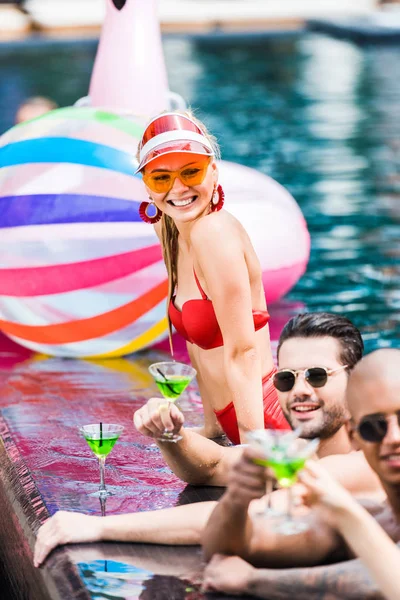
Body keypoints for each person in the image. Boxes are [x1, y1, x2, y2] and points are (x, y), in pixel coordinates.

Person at [33, 312, 383, 568]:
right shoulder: (297, 451)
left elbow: (243, 518)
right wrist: (171, 434)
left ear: (356, 380)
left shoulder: (370, 460)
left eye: (317, 376)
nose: (301, 391)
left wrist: (96, 526)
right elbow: (212, 466)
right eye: (287, 379)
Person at [132, 110, 289, 482]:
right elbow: (200, 347)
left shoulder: (213, 232)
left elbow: (243, 350)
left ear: (213, 172)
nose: (178, 189)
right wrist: (212, 428)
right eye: (161, 177)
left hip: (266, 419)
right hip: (233, 422)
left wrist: (253, 448)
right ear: (147, 187)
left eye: (191, 172)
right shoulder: (170, 231)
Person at [202, 349, 400, 599]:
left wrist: (254, 580)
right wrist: (237, 500)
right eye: (374, 427)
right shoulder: (369, 518)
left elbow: (385, 579)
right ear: (354, 436)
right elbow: (226, 550)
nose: (394, 438)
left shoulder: (348, 513)